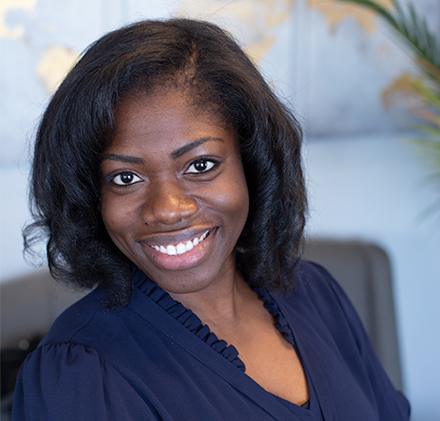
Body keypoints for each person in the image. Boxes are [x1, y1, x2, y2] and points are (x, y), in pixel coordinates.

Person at [13, 18, 409, 420]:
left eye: (201, 165)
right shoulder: (80, 375)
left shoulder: (316, 294)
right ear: (90, 194)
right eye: (125, 177)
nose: (167, 208)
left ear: (251, 165)